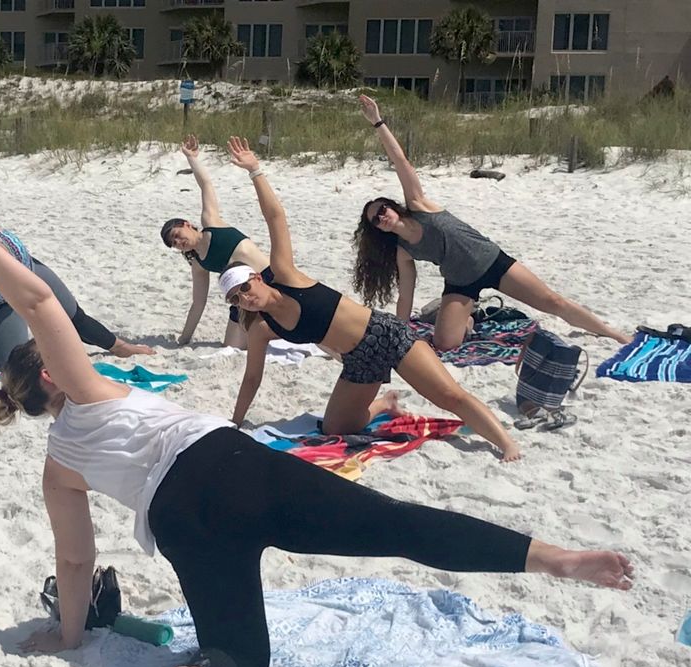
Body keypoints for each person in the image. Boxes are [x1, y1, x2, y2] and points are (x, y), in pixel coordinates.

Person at [0, 161, 633, 667]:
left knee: (242, 655)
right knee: (400, 527)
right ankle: (556, 559)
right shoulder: (83, 389)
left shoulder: (61, 465)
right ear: (51, 377)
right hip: (228, 466)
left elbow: (75, 561)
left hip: (179, 524)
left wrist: (72, 637)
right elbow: (41, 302)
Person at [220, 138, 522, 462]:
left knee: (448, 395)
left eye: (245, 290)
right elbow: (252, 377)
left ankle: (506, 443)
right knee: (335, 426)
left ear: (255, 278)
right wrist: (236, 422)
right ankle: (386, 404)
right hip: (359, 360)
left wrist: (255, 171)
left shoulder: (285, 275)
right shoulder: (262, 328)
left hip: (385, 334)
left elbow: (276, 217)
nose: (245, 300)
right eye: (236, 300)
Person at [0, 105, 152, 391]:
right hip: (4, 302)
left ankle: (118, 346)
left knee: (73, 316)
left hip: (30, 270)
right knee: (13, 362)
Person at [353, 94, 632, 350]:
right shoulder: (403, 250)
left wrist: (377, 122)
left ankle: (610, 332)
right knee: (445, 343)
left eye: (383, 210)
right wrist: (401, 333)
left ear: (393, 207)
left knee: (552, 301)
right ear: (378, 229)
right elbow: (406, 295)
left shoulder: (419, 205)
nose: (382, 217)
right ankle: (469, 316)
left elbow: (400, 160)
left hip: (491, 262)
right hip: (460, 283)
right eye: (376, 220)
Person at [160, 135, 273, 349]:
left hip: (270, 277)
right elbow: (198, 303)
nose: (177, 242)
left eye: (176, 235)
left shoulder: (211, 222)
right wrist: (184, 339)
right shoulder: (198, 264)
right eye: (173, 244)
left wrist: (192, 158)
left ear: (186, 224)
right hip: (243, 297)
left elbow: (206, 185)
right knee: (231, 347)